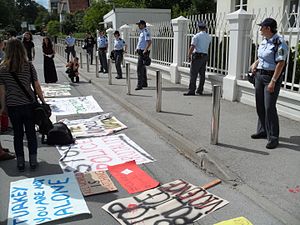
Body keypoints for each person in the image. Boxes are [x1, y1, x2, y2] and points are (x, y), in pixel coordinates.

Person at [0, 39, 46, 171]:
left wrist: (3, 107)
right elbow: (36, 86)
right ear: (22, 49)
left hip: (13, 105)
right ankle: (33, 160)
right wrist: (42, 101)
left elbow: (2, 91)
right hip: (28, 104)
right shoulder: (28, 66)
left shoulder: (2, 68)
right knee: (31, 133)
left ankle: (20, 162)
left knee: (18, 134)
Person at [250, 18, 288, 149]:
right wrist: (255, 63)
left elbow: (281, 63)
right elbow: (262, 57)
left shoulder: (279, 42)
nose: (260, 29)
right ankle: (262, 131)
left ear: (268, 28)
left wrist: (273, 81)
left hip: (271, 79)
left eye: (262, 27)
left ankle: (273, 137)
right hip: (260, 76)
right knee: (260, 105)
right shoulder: (265, 41)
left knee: (269, 108)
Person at [184, 21, 211, 96]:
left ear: (198, 28)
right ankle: (200, 90)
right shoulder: (209, 36)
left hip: (197, 56)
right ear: (205, 28)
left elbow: (192, 46)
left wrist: (189, 55)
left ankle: (191, 90)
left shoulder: (196, 36)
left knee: (193, 74)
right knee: (202, 74)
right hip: (205, 56)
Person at [135, 20, 152, 90]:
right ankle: (144, 83)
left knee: (139, 69)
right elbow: (141, 42)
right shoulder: (142, 32)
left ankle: (139, 85)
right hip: (140, 51)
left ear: (143, 25)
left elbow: (149, 42)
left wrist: (145, 50)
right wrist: (137, 48)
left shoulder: (145, 32)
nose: (138, 26)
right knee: (143, 68)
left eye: (139, 24)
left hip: (143, 52)